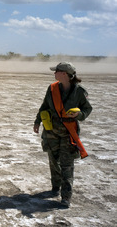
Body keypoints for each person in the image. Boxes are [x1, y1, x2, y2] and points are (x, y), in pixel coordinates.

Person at [33, 62, 92, 208]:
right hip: (51, 130)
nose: (54, 74)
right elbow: (44, 106)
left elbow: (87, 109)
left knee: (67, 164)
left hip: (68, 132)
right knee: (53, 160)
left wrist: (79, 115)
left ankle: (66, 196)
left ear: (64, 74)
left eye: (57, 71)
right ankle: (55, 188)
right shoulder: (52, 88)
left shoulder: (79, 92)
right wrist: (37, 121)